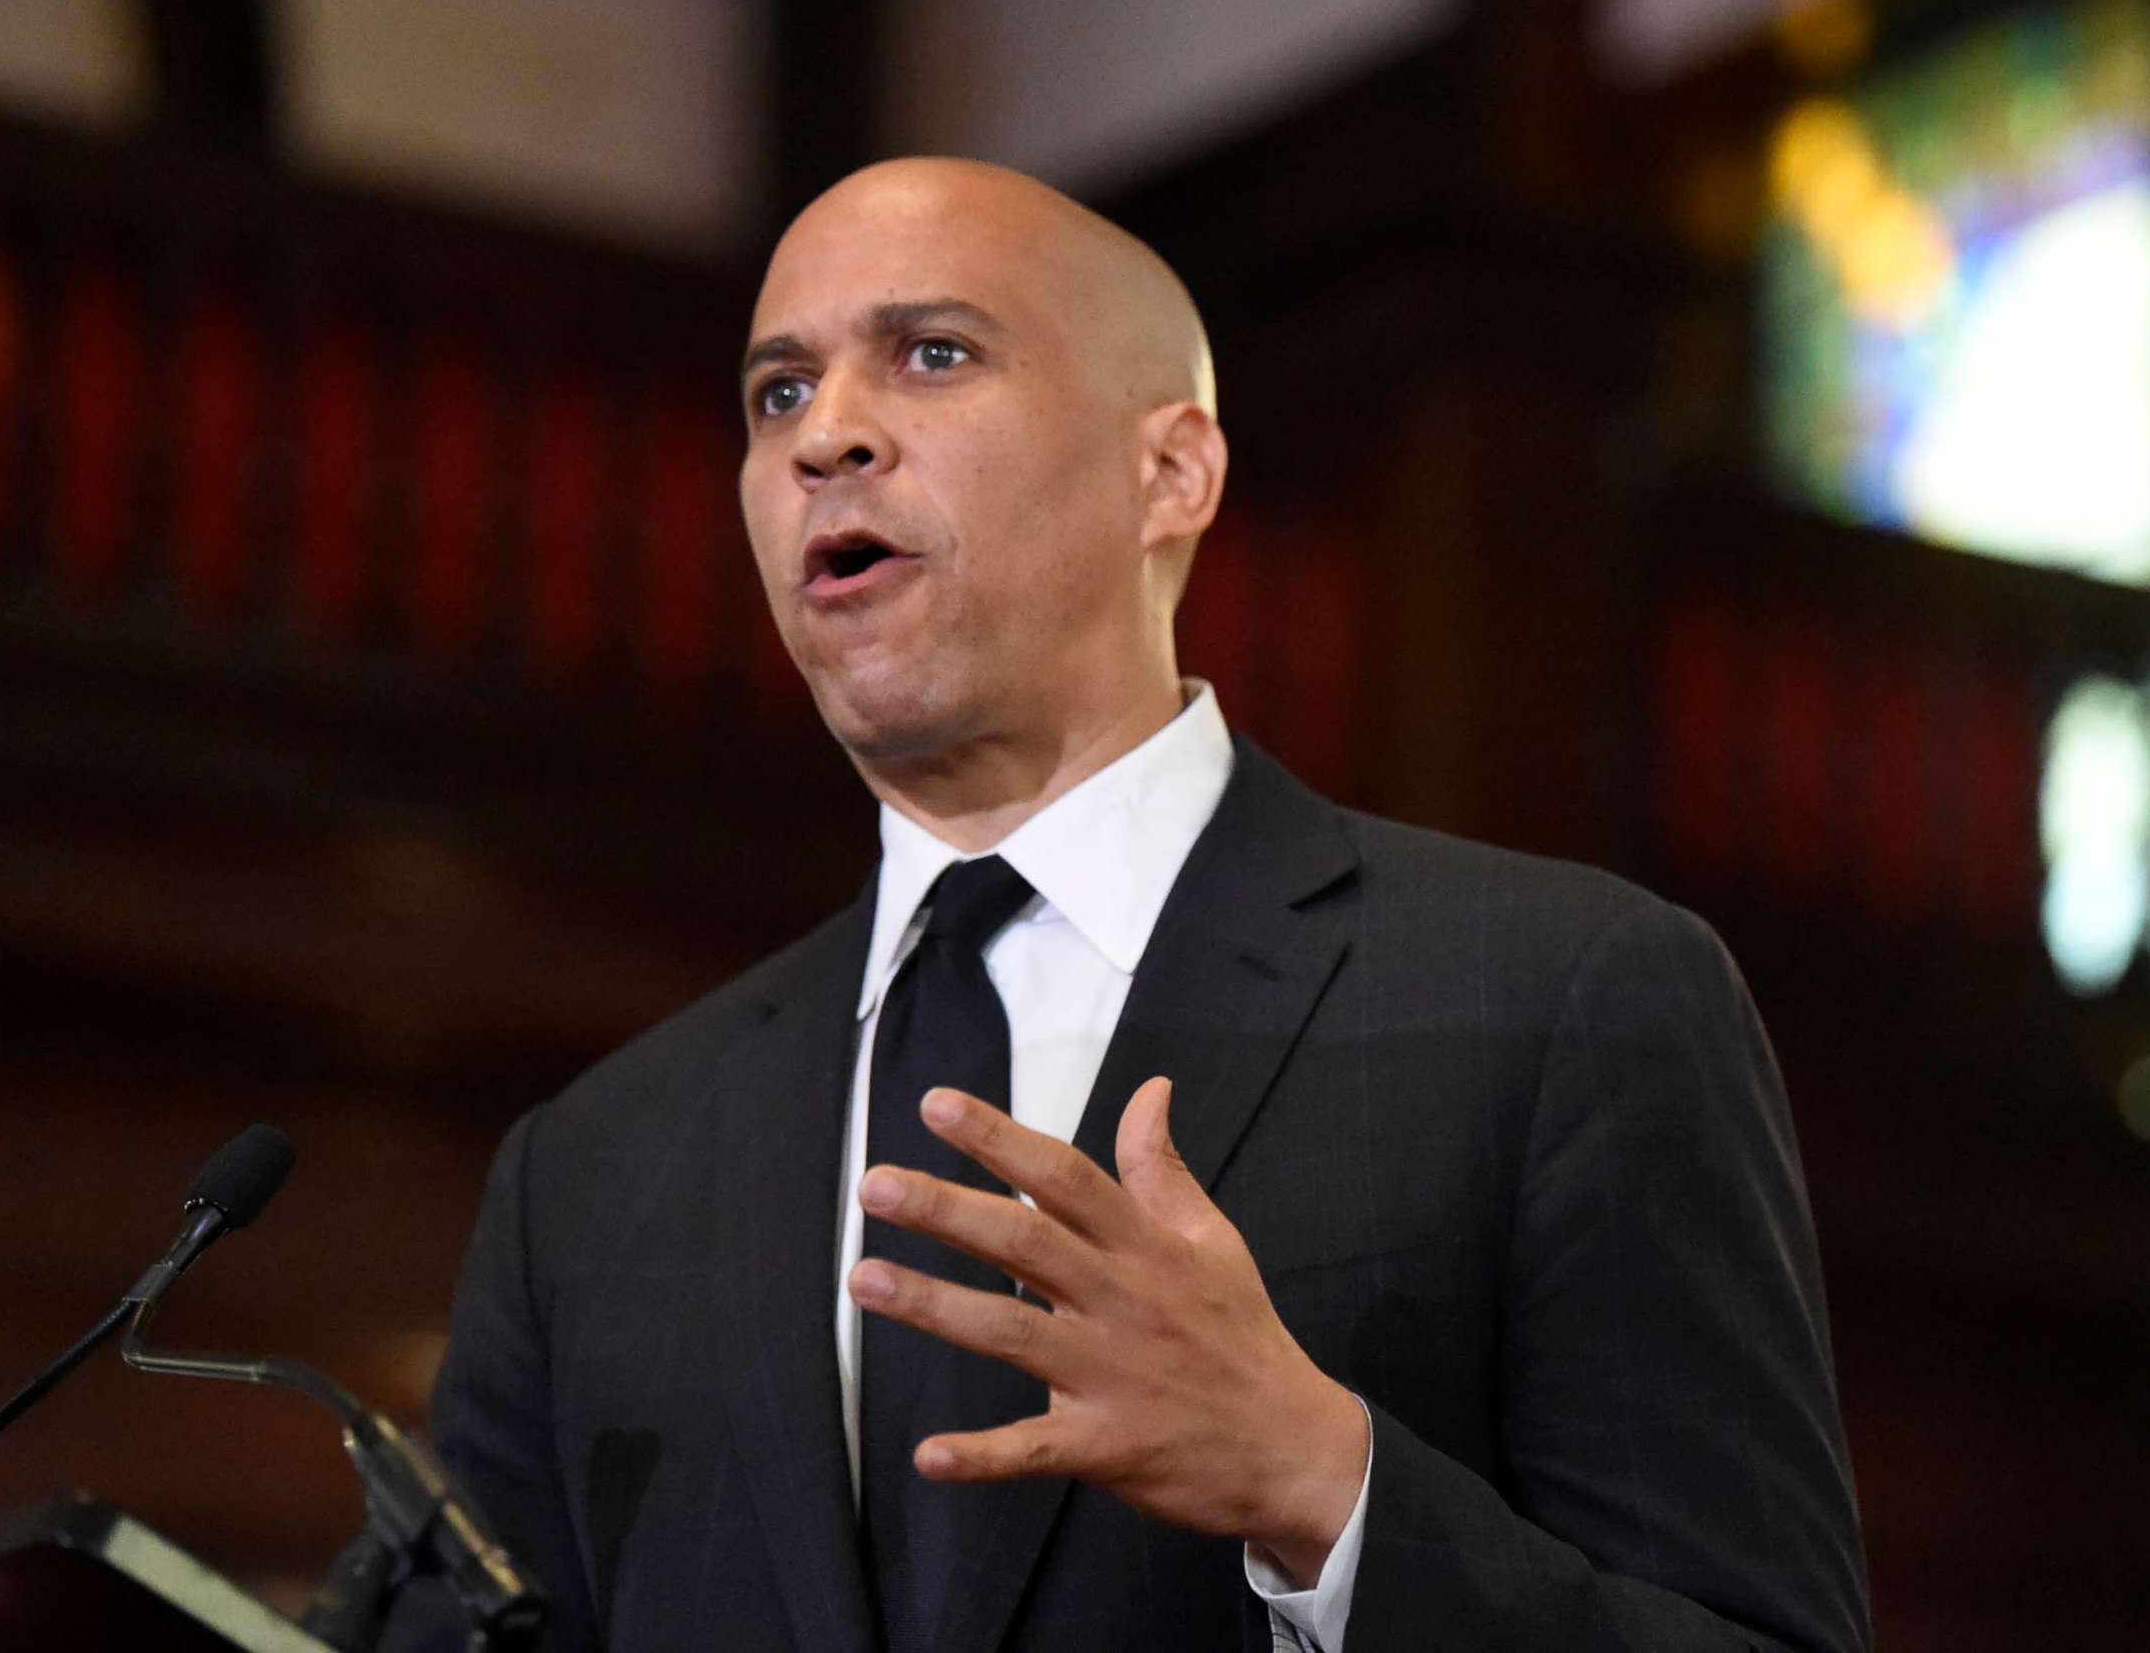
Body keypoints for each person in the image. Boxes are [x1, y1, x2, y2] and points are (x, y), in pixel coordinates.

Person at [386, 158, 1868, 1653]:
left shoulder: (1564, 999)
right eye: (778, 394)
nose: (825, 433)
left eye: (933, 353)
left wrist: (1325, 1488)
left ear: (1172, 472)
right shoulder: (591, 1173)